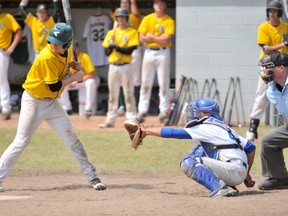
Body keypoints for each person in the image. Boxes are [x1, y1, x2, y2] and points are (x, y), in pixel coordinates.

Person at [0, 23, 106, 192]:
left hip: (52, 103)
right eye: (52, 41)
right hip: (33, 102)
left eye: (57, 42)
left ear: (67, 44)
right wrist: (75, 77)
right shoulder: (46, 56)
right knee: (21, 141)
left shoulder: (68, 50)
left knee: (72, 138)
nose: (53, 44)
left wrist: (73, 66)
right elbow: (54, 86)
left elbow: (64, 65)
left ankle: (92, 176)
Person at [139, 97, 256, 197]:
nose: (195, 114)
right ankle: (228, 185)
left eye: (198, 112)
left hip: (232, 171)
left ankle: (220, 188)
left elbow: (173, 133)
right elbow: (250, 147)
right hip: (236, 170)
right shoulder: (226, 128)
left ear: (207, 114)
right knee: (198, 150)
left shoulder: (206, 127)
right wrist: (247, 174)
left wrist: (146, 131)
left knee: (188, 162)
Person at [246, 0, 288, 141]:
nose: (272, 14)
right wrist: (283, 44)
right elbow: (266, 49)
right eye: (270, 11)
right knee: (262, 95)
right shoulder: (263, 27)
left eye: (275, 11)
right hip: (268, 64)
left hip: (284, 65)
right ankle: (253, 127)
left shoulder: (286, 27)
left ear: (280, 13)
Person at [99, 8, 139, 128]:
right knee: (112, 94)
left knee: (128, 93)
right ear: (116, 19)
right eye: (119, 17)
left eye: (123, 17)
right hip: (113, 66)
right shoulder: (111, 33)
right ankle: (110, 120)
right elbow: (106, 52)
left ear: (126, 19)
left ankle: (132, 118)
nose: (121, 19)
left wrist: (116, 46)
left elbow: (130, 50)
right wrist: (111, 45)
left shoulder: (131, 32)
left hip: (126, 66)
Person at [137, 0, 175, 123]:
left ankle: (163, 110)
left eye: (161, 3)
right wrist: (158, 38)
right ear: (153, 5)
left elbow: (166, 40)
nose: (158, 5)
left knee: (163, 82)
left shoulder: (168, 20)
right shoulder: (147, 19)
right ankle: (142, 110)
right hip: (148, 52)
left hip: (163, 52)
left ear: (165, 5)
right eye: (156, 3)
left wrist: (152, 37)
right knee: (145, 83)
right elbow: (141, 37)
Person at [257, 52, 288, 190]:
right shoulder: (271, 91)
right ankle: (279, 178)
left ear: (280, 68)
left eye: (268, 67)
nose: (265, 72)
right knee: (269, 141)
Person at [110, 0, 142, 115]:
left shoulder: (134, 16)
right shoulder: (116, 15)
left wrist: (132, 2)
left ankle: (136, 106)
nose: (124, 4)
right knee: (120, 79)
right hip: (119, 50)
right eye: (122, 2)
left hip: (134, 49)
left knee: (136, 79)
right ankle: (122, 106)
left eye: (126, 3)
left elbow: (135, 11)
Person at [60, 40, 100, 118]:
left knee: (90, 83)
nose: (70, 51)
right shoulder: (68, 58)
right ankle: (67, 108)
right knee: (61, 85)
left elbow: (91, 75)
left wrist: (75, 80)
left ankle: (89, 108)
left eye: (73, 49)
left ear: (77, 49)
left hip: (90, 79)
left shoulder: (84, 57)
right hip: (78, 80)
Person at [0, 3, 23, 120]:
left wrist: (12, 47)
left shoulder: (7, 17)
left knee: (1, 79)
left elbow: (19, 32)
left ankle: (5, 107)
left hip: (2, 51)